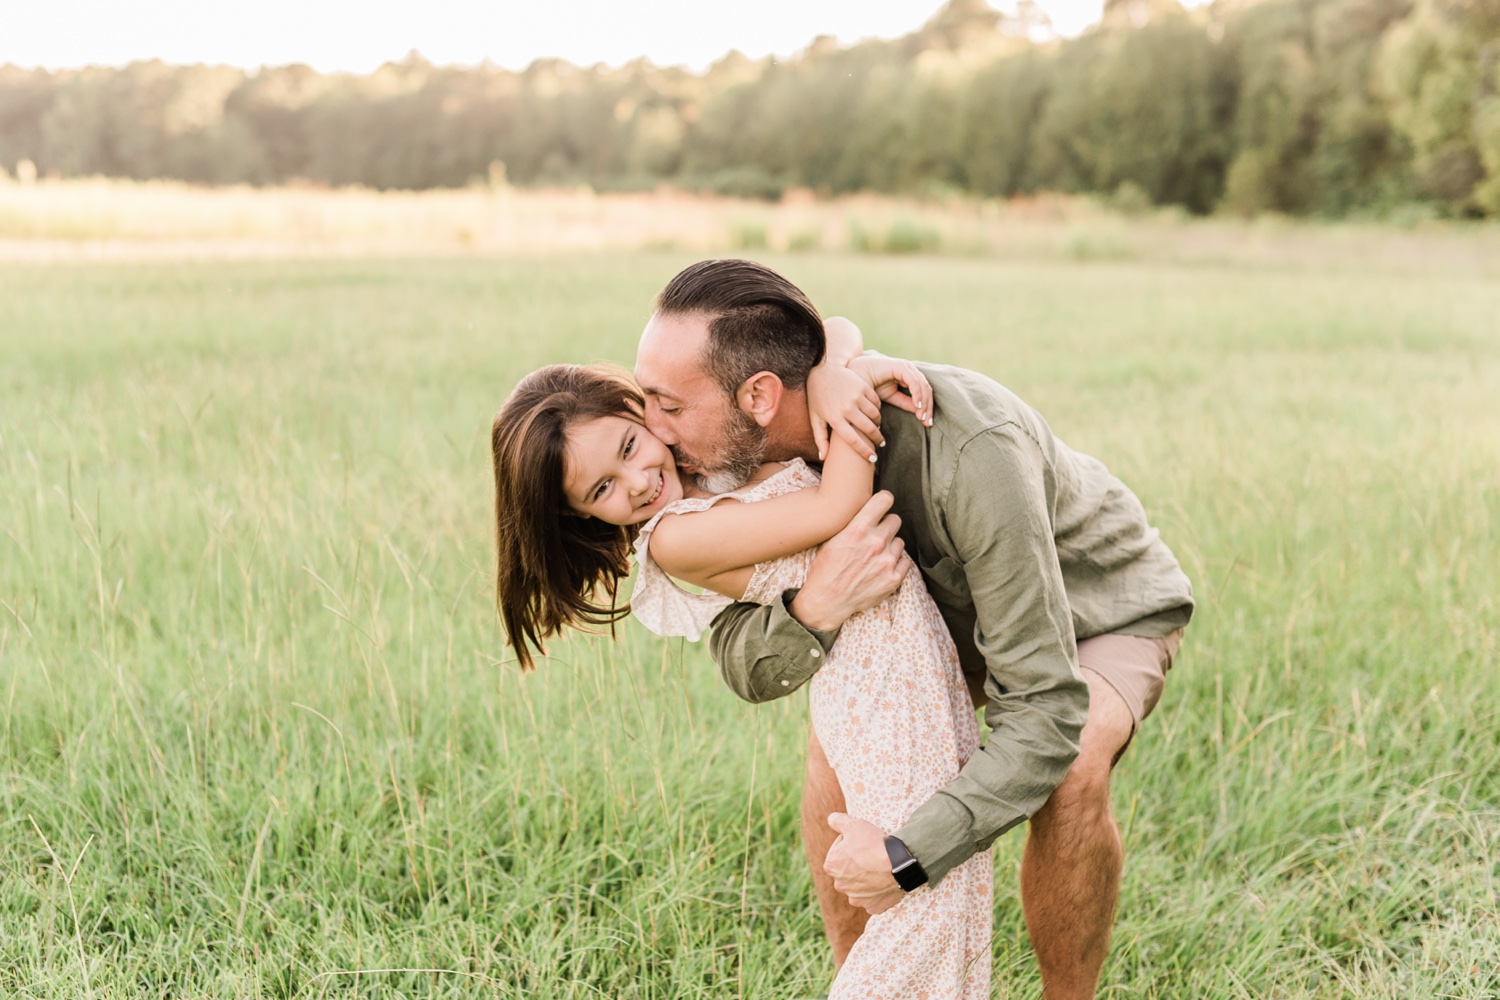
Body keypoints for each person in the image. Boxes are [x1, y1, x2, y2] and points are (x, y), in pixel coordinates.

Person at [633, 259, 1195, 1000]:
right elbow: (743, 657)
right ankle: (868, 984)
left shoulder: (970, 449)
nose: (651, 432)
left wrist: (907, 857)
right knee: (830, 758)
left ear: (761, 395)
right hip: (935, 626)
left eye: (667, 406)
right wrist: (813, 610)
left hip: (1095, 607)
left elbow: (1047, 710)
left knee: (1073, 766)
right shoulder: (730, 457)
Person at [490, 357, 994, 997]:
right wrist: (849, 382)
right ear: (582, 516)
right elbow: (840, 503)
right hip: (879, 696)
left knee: (954, 894)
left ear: (640, 410)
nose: (639, 480)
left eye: (629, 446)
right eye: (601, 491)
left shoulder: (704, 467)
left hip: (918, 673)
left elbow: (815, 341)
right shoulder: (675, 538)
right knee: (923, 903)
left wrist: (832, 360)